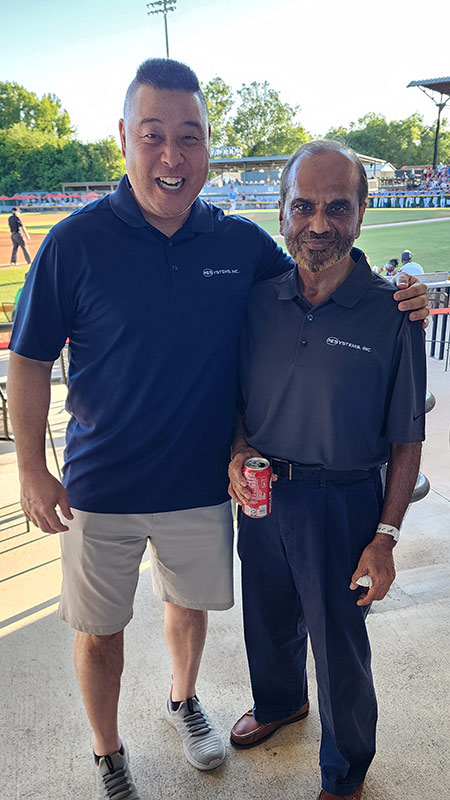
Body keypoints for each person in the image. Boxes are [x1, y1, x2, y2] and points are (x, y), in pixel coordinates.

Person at [7, 60, 428, 800]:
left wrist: (406, 291)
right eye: (154, 136)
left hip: (208, 486)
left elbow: (321, 265)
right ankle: (112, 751)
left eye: (190, 137)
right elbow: (31, 358)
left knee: (197, 610)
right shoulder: (76, 244)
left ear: (207, 148)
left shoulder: (240, 248)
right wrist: (34, 471)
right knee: (113, 629)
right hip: (106, 484)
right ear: (125, 140)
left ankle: (190, 701)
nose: (172, 155)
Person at [228, 140, 426, 800]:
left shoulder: (393, 312)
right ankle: (281, 703)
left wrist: (386, 536)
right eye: (302, 206)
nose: (318, 223)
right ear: (281, 213)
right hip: (262, 495)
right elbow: (237, 402)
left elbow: (406, 437)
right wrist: (235, 454)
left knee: (340, 648)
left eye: (337, 207)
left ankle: (345, 774)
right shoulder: (257, 302)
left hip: (341, 503)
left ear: (362, 214)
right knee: (268, 619)